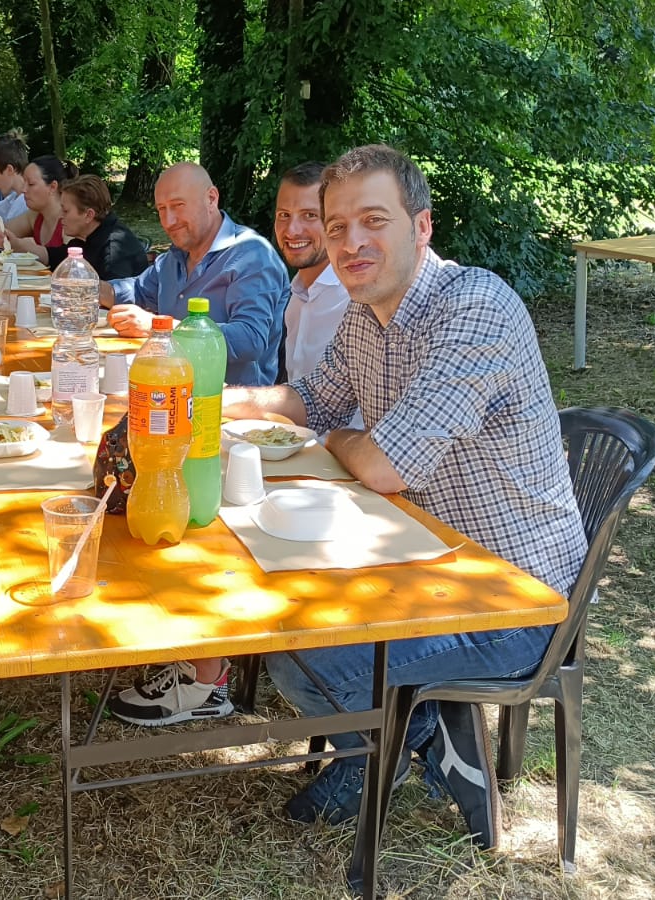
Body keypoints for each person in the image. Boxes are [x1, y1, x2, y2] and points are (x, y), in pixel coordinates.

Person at [225, 144, 584, 846]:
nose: (351, 242)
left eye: (373, 221)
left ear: (420, 227)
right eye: (336, 228)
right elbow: (313, 399)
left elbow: (383, 463)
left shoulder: (475, 307)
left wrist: (339, 441)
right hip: (423, 558)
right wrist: (223, 398)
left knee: (297, 657)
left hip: (515, 597)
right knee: (276, 608)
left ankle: (415, 740)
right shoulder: (368, 312)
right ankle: (422, 733)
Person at [102, 162, 288, 386]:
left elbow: (250, 339)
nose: (168, 221)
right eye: (162, 209)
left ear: (211, 198)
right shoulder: (176, 256)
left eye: (178, 205)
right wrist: (88, 287)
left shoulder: (252, 256)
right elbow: (138, 291)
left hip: (228, 406)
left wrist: (158, 327)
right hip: (167, 388)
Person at [273, 161, 355, 390]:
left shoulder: (355, 299)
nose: (292, 230)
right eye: (284, 215)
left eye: (309, 215)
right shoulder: (296, 296)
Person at [59, 174, 148, 281]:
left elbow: (113, 294)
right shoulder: (92, 234)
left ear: (88, 215)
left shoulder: (113, 253)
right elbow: (58, 257)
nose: (60, 215)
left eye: (65, 211)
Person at [0, 156, 74, 266]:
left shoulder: (69, 221)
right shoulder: (35, 215)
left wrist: (21, 245)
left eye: (31, 184)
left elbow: (70, 261)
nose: (23, 190)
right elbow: (0, 230)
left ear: (53, 187)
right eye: (24, 183)